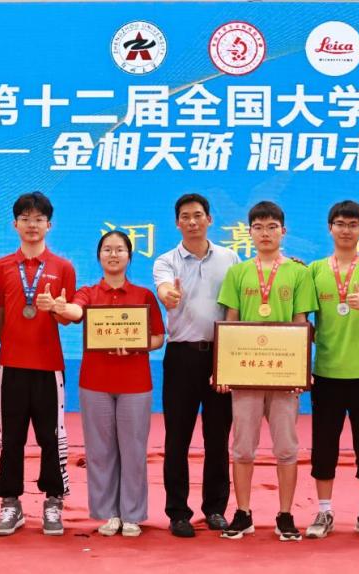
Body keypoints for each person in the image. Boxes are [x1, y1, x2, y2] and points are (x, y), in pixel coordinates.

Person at [217, 201, 317, 542]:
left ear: (283, 231)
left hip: (284, 375)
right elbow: (230, 323)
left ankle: (285, 514)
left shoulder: (299, 273)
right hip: (246, 373)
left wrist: (302, 371)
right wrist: (223, 369)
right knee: (243, 448)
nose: (265, 233)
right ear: (249, 232)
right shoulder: (238, 273)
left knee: (287, 448)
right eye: (258, 227)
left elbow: (301, 324)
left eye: (272, 227)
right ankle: (243, 513)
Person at [54, 231, 165, 537]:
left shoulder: (143, 295)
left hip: (135, 384)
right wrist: (62, 307)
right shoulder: (88, 292)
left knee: (133, 450)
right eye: (107, 249)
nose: (113, 255)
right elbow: (77, 311)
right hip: (95, 382)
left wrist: (137, 346)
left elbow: (158, 337)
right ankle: (109, 514)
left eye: (119, 250)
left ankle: (132, 514)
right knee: (100, 451)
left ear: (129, 256)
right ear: (99, 256)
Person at [305, 200, 359, 540]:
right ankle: (324, 511)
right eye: (340, 223)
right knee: (323, 447)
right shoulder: (314, 270)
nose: (346, 230)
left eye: (353, 224)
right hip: (326, 373)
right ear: (330, 228)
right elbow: (302, 319)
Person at [152, 193, 240, 538]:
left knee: (218, 437)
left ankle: (215, 509)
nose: (192, 221)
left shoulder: (230, 258)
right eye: (185, 216)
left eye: (198, 215)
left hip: (221, 354)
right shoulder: (166, 260)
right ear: (177, 223)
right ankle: (178, 512)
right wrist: (168, 295)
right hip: (181, 356)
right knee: (177, 438)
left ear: (209, 220)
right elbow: (164, 289)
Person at [0, 192, 76, 537]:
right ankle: (10, 503)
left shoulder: (63, 267)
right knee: (10, 438)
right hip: (11, 366)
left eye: (38, 219)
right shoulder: (1, 267)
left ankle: (53, 502)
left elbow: (67, 318)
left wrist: (55, 308)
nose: (32, 225)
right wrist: (12, 345)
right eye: (25, 218)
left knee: (51, 438)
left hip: (49, 367)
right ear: (15, 224)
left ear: (49, 225)